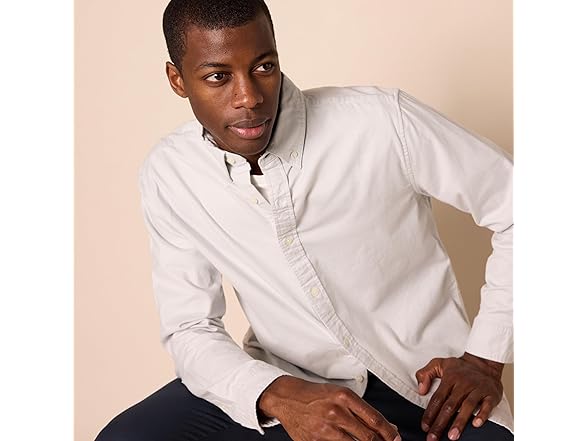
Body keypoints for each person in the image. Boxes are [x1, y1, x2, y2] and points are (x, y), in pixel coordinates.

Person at [95, 1, 513, 440]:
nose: (249, 97)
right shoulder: (171, 172)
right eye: (218, 77)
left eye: (264, 67)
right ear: (177, 80)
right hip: (283, 381)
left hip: (426, 390)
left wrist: (485, 358)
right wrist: (274, 393)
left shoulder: (381, 122)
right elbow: (190, 327)